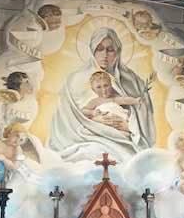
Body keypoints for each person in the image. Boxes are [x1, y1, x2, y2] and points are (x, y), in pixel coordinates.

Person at [48, 28, 155, 161]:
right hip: (86, 137)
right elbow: (65, 119)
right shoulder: (75, 79)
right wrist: (94, 120)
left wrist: (130, 127)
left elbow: (143, 113)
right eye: (99, 49)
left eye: (110, 50)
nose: (104, 54)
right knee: (89, 154)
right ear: (92, 51)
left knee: (125, 160)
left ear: (117, 52)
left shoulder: (132, 80)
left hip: (123, 136)